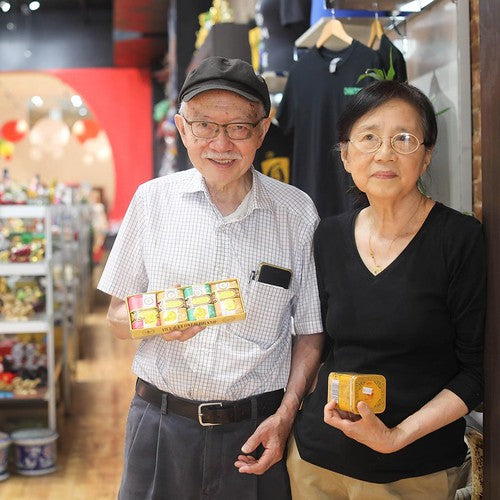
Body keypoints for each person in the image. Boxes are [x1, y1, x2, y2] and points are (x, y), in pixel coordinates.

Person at [97, 56, 324, 500]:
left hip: (257, 431)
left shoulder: (296, 213)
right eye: (204, 126)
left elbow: (310, 333)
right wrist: (159, 321)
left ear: (262, 131)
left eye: (238, 127)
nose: (221, 143)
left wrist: (287, 414)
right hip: (160, 423)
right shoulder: (152, 201)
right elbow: (116, 317)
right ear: (183, 129)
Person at [287, 80, 486, 499]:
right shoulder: (326, 237)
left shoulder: (460, 239)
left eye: (404, 138)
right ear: (346, 154)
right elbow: (315, 343)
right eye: (369, 137)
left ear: (427, 154)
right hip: (315, 463)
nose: (385, 153)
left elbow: (476, 373)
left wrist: (395, 436)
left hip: (415, 471)